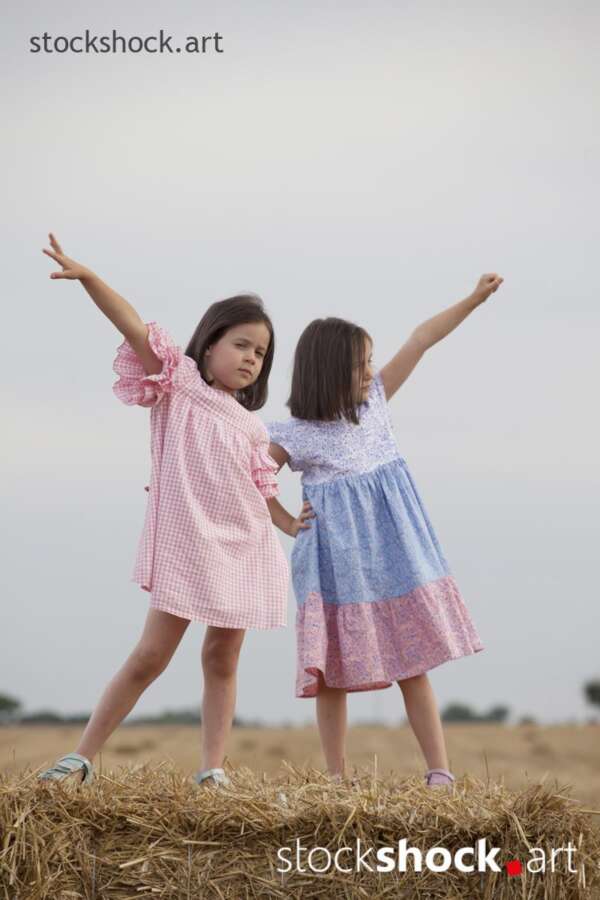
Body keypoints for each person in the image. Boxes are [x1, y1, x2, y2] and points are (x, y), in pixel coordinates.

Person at [37, 233, 299, 788]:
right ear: (208, 346)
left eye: (261, 353)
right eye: (241, 344)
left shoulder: (253, 426)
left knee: (222, 660)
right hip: (189, 541)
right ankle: (80, 758)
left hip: (244, 547)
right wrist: (88, 278)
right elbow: (129, 323)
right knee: (149, 657)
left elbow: (261, 490)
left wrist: (289, 523)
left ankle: (211, 770)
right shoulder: (178, 382)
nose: (252, 357)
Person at [264, 273, 504, 789]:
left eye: (371, 360)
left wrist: (474, 299)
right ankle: (335, 778)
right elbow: (247, 473)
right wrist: (284, 520)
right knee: (330, 673)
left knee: (413, 661)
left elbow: (422, 338)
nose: (371, 370)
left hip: (395, 556)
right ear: (328, 371)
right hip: (335, 564)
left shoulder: (374, 403)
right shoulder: (293, 434)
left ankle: (439, 771)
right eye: (361, 363)